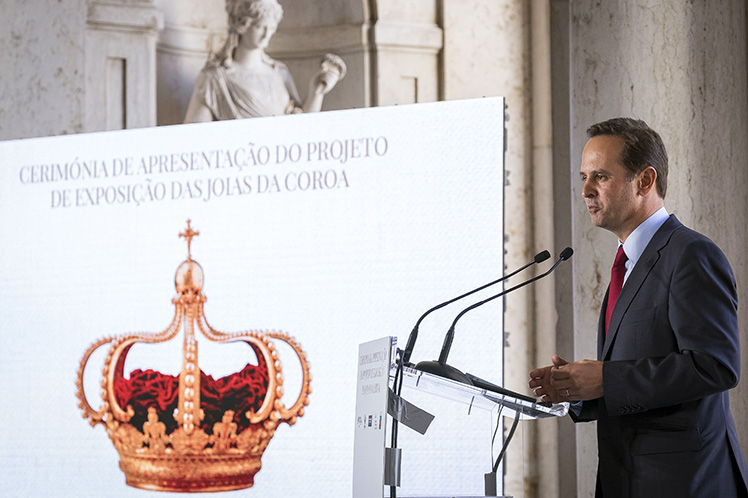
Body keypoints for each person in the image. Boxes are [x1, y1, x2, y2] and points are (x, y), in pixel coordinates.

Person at [529, 117, 748, 497]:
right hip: (627, 479)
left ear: (644, 181)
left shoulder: (691, 254)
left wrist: (606, 379)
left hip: (685, 482)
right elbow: (634, 374)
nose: (585, 190)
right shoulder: (628, 263)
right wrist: (578, 389)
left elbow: (715, 366)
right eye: (583, 176)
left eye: (600, 176)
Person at [183, 0, 345, 123]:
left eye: (272, 27)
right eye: (260, 26)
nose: (267, 33)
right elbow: (196, 137)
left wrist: (316, 92)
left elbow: (303, 129)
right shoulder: (215, 80)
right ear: (242, 25)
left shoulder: (280, 73)